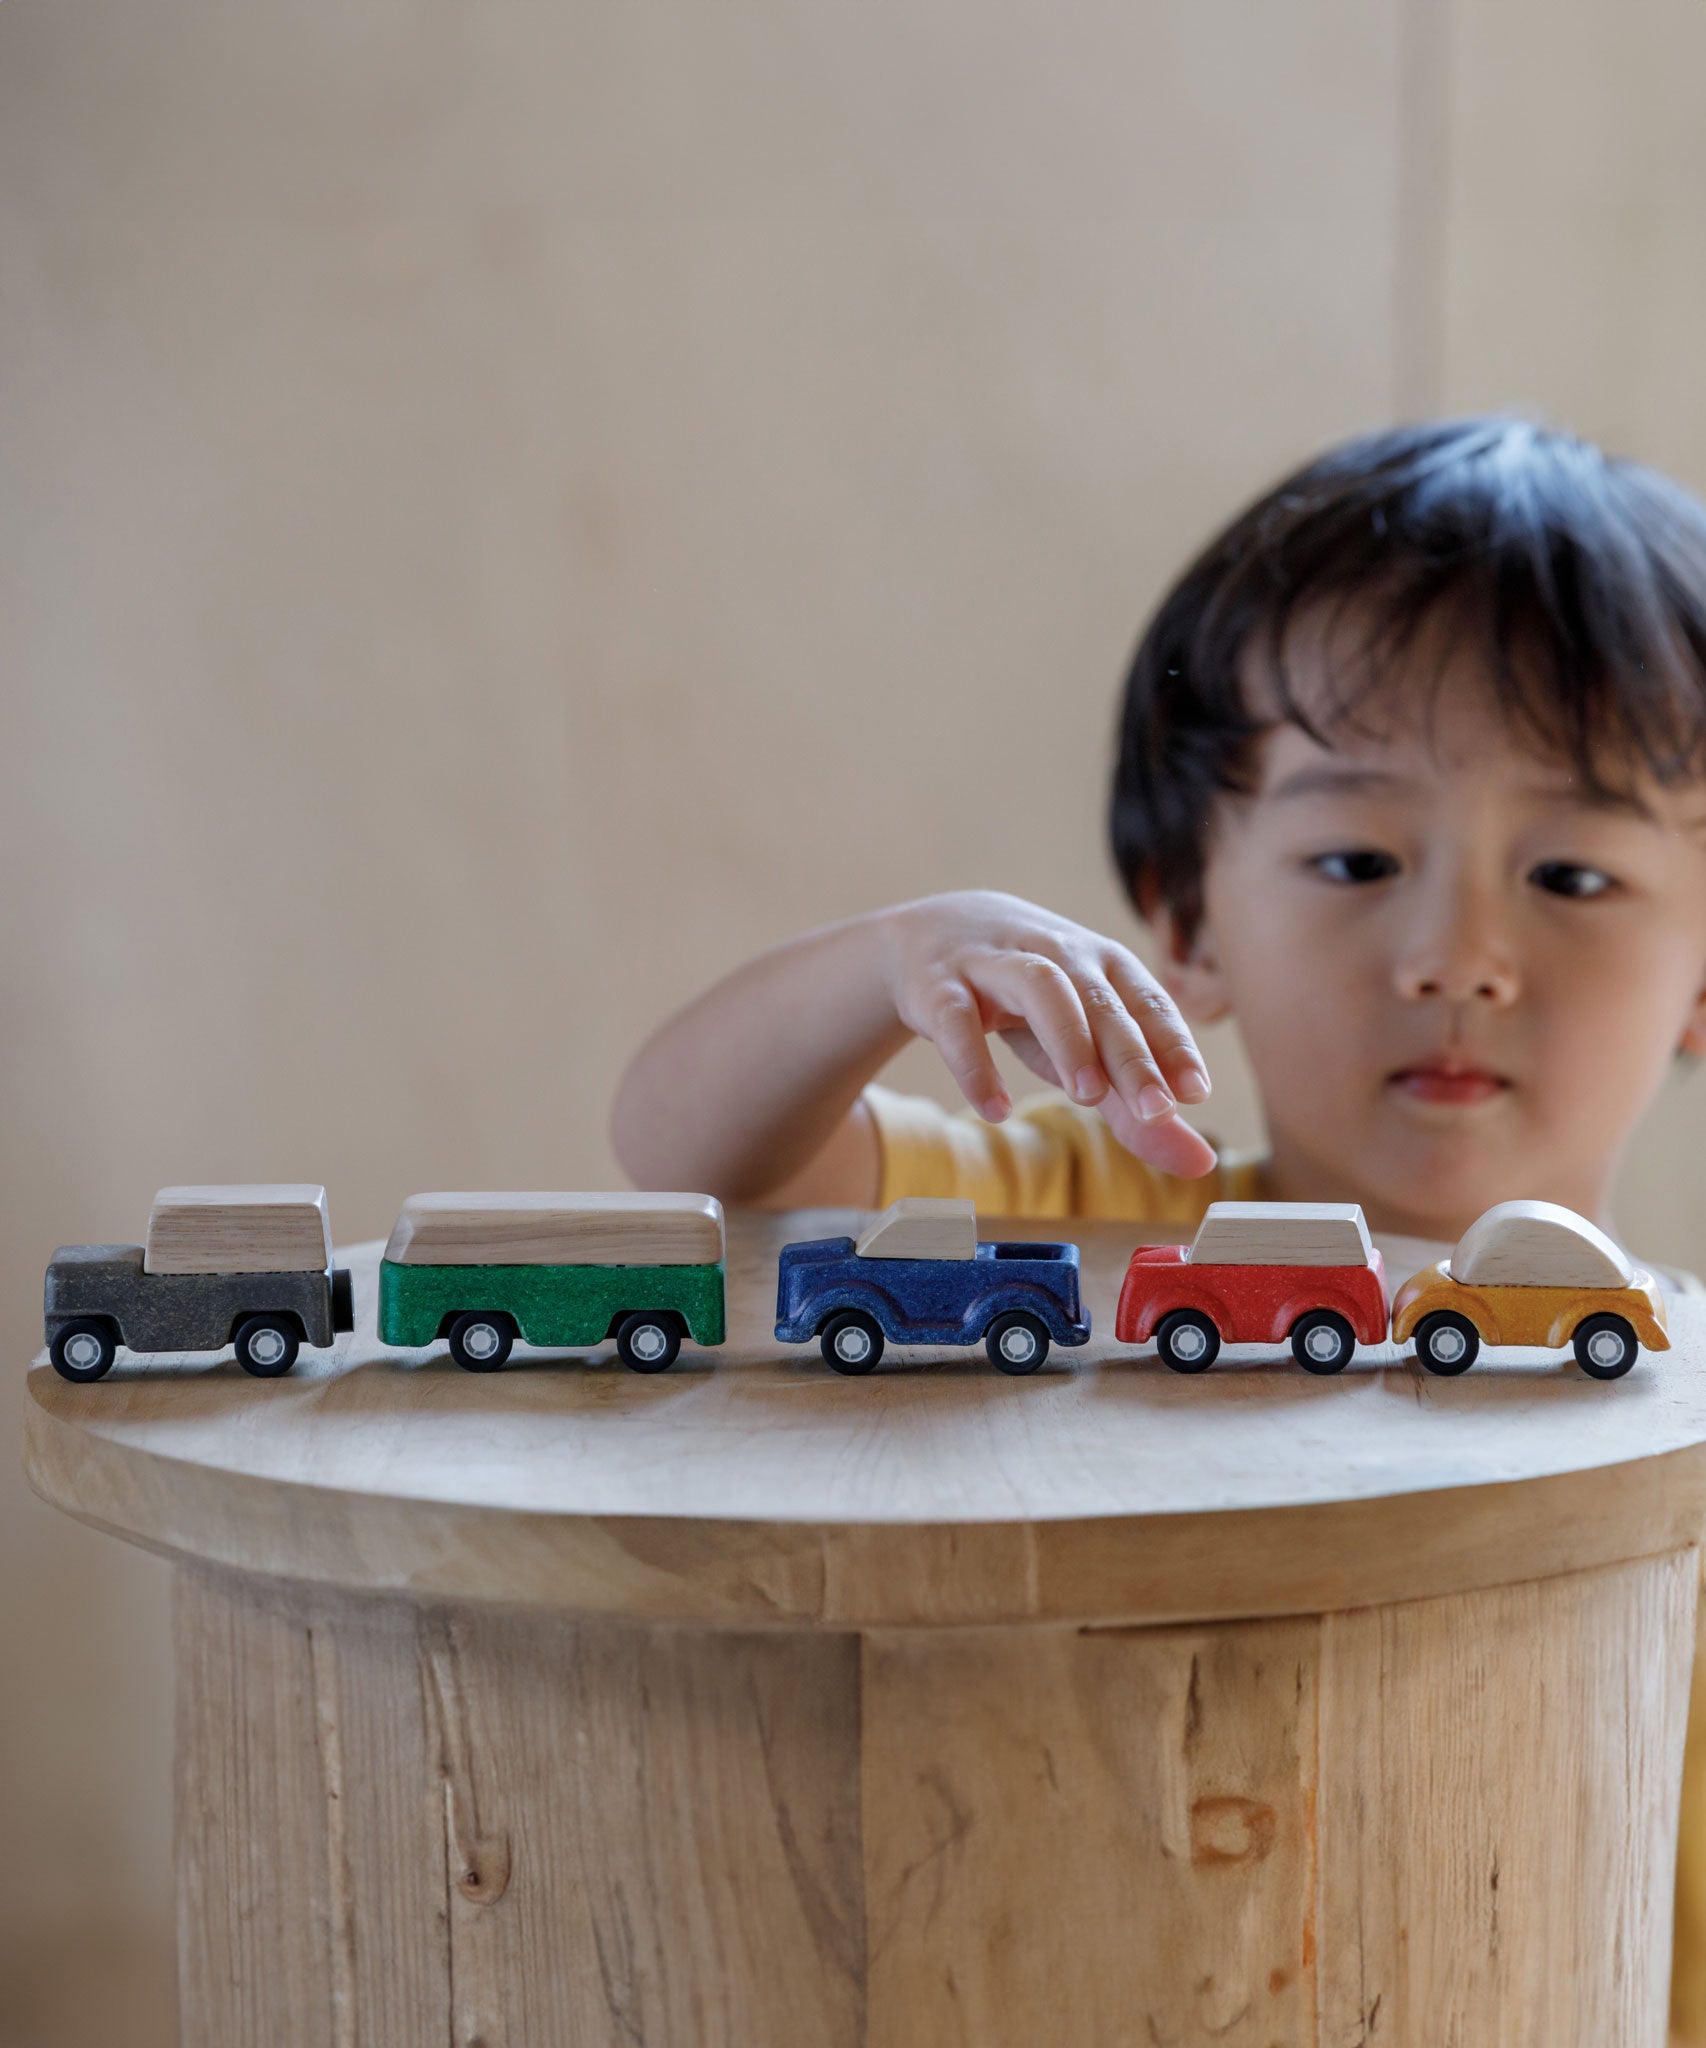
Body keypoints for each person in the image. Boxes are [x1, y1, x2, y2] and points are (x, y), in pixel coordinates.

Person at [610, 417, 1706, 2025]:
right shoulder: (1099, 1225)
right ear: (1185, 919)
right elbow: (705, 1168)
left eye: (1570, 878)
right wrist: (888, 962)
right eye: (1357, 856)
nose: (1455, 958)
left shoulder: (1673, 1394)